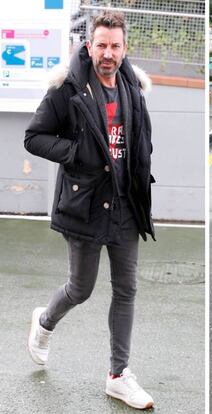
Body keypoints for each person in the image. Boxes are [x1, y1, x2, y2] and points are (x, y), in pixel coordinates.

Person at [24, 10, 155, 410]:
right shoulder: (68, 89)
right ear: (89, 45)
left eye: (115, 46)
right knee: (81, 289)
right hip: (84, 204)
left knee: (127, 289)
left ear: (124, 47)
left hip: (125, 205)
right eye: (101, 45)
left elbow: (139, 141)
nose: (108, 53)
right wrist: (75, 152)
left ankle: (118, 375)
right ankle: (44, 322)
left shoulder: (132, 87)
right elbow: (34, 137)